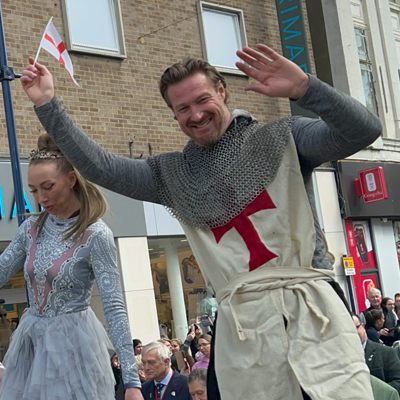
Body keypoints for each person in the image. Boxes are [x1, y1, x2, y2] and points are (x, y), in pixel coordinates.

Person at [20, 43, 382, 399]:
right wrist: (47, 104)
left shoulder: (282, 138)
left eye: (202, 100)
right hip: (242, 329)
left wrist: (306, 88)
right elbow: (101, 167)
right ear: (174, 114)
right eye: (183, 108)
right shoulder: (174, 176)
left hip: (312, 310)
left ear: (221, 91)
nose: (195, 115)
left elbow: (363, 130)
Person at [0, 134, 142, 400]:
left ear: (72, 179)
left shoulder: (96, 234)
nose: (41, 197)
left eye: (48, 187)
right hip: (30, 346)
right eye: (33, 190)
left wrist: (132, 381)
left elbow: (114, 307)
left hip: (75, 350)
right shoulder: (30, 228)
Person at [352, 313, 400, 394]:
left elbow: (398, 382)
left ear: (363, 326)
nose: (352, 334)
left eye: (354, 328)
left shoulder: (387, 353)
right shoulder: (338, 358)